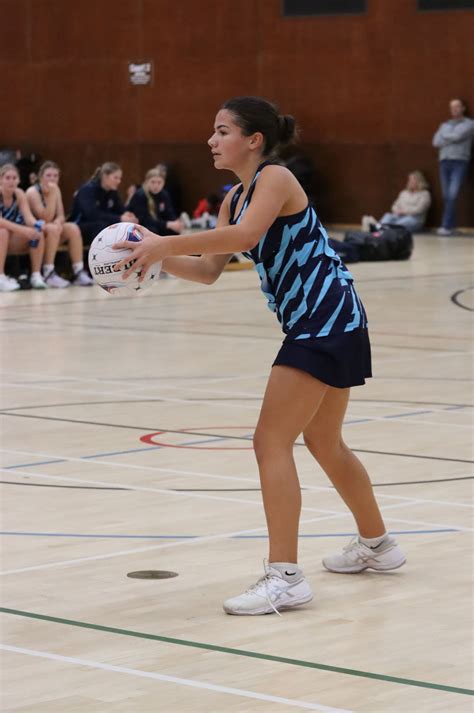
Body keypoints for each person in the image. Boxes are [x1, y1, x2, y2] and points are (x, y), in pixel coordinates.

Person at [114, 96, 406, 616]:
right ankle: (379, 546)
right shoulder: (232, 199)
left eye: (222, 130)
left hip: (326, 316)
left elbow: (248, 237)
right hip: (329, 321)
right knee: (323, 440)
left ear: (253, 140)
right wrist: (146, 265)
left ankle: (285, 577)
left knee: (270, 439)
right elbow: (208, 270)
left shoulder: (276, 178)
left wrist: (162, 243)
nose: (211, 140)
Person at [26, 161, 93, 286]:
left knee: (73, 228)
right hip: (35, 232)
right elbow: (44, 217)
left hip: (51, 231)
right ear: (41, 177)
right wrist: (52, 195)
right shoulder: (32, 192)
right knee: (52, 228)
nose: (52, 178)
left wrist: (58, 221)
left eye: (55, 176)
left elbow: (61, 215)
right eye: (48, 175)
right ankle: (48, 273)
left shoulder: (56, 190)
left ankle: (78, 271)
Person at [0, 163, 47, 291]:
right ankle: (1, 277)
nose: (11, 181)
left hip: (8, 239)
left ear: (19, 180)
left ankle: (36, 275)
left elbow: (28, 218)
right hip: (3, 235)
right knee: (2, 231)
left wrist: (37, 224)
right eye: (7, 178)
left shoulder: (19, 194)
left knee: (37, 233)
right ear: (0, 179)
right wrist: (22, 229)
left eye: (14, 178)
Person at [432, 98, 474, 235]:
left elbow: (458, 136)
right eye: (452, 107)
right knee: (446, 195)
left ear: (463, 108)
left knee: (453, 193)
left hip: (460, 161)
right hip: (444, 161)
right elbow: (436, 142)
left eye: (457, 107)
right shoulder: (444, 124)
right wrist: (448, 137)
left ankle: (445, 226)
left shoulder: (469, 124)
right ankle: (451, 226)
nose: (454, 109)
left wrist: (445, 136)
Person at [69, 162, 137, 245]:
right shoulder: (87, 190)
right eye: (115, 178)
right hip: (80, 225)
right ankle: (99, 256)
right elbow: (91, 215)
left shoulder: (112, 192)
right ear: (105, 176)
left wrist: (127, 214)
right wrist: (120, 218)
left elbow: (120, 209)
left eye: (120, 178)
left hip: (101, 224)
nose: (119, 181)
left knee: (126, 227)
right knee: (102, 227)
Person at [362, 170, 431, 233]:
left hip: (414, 219)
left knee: (400, 223)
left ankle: (376, 228)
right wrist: (396, 210)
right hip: (398, 216)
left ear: (419, 181)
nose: (409, 182)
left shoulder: (425, 194)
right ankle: (377, 227)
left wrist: (404, 212)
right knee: (388, 216)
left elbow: (420, 209)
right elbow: (394, 205)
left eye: (412, 180)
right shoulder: (404, 193)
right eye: (409, 180)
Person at [126, 167, 184, 235]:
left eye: (159, 182)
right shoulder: (140, 195)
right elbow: (146, 220)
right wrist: (168, 224)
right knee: (152, 230)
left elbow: (169, 212)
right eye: (153, 182)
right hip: (140, 225)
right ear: (147, 181)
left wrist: (176, 222)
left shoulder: (164, 194)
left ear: (164, 183)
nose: (156, 186)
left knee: (174, 231)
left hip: (156, 224)